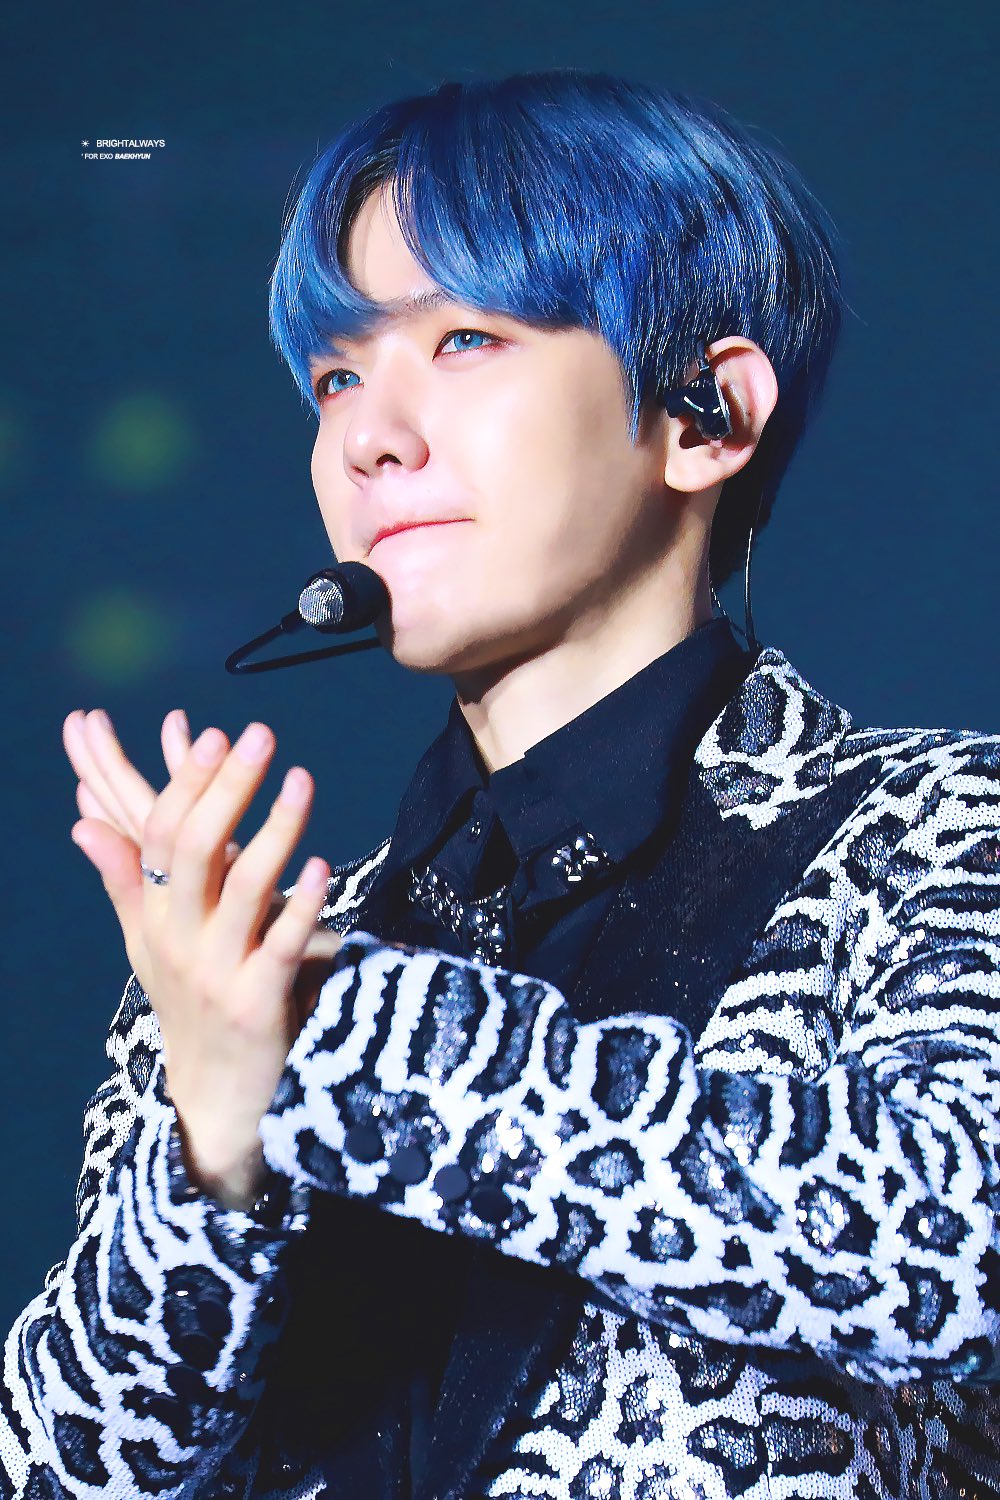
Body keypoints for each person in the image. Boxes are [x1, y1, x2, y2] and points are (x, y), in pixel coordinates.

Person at [3, 67, 998, 1500]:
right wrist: (212, 1168)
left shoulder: (938, 830)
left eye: (463, 338)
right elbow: (65, 1469)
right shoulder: (260, 944)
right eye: (337, 377)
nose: (367, 436)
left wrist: (333, 1034)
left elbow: (947, 1247)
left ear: (707, 414)